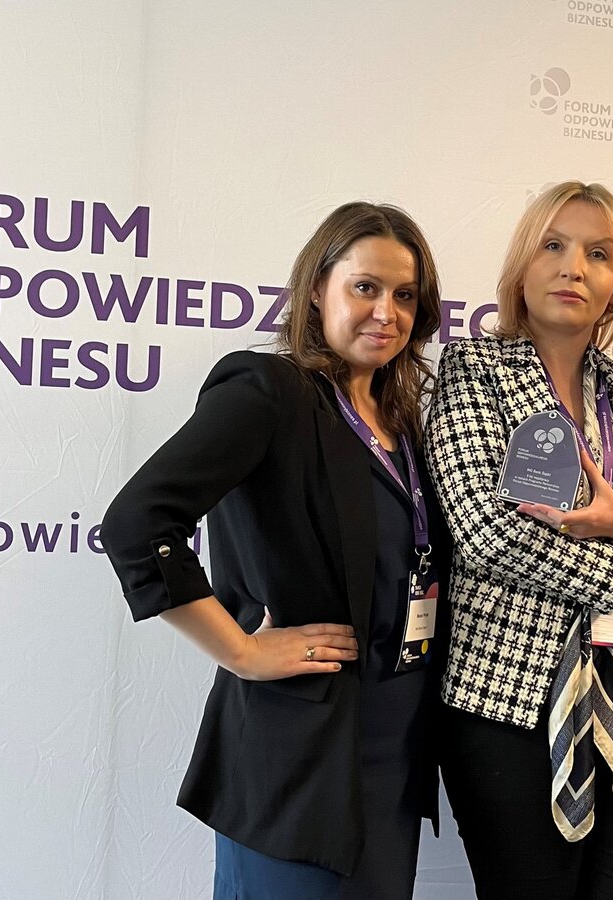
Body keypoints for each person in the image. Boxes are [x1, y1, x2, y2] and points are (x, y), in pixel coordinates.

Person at [101, 201, 450, 900]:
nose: (386, 312)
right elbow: (137, 523)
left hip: (391, 756)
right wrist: (241, 650)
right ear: (316, 289)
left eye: (405, 295)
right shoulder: (271, 391)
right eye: (365, 287)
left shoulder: (406, 423)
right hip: (297, 759)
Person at [425, 181, 613, 900]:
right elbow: (486, 533)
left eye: (599, 254)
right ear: (521, 267)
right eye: (553, 246)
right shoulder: (472, 371)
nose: (573, 267)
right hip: (507, 699)